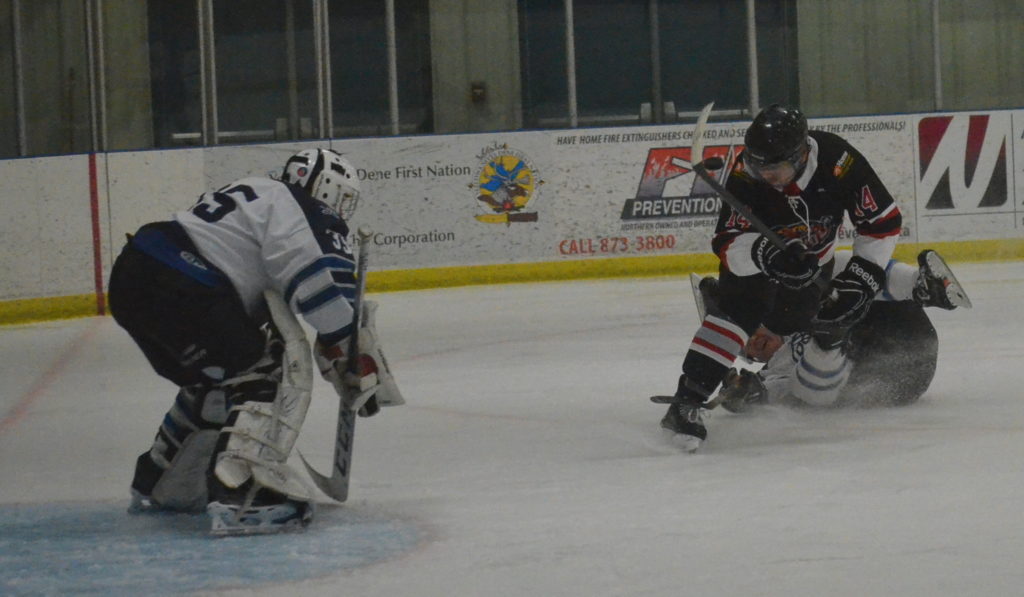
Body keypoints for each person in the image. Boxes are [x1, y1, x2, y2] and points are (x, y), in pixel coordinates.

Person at [108, 148, 397, 534]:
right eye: (341, 198)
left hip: (135, 274)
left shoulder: (254, 190)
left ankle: (161, 482)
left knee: (220, 375)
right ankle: (244, 493)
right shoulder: (306, 207)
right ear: (325, 187)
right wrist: (350, 349)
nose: (340, 210)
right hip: (185, 284)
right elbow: (317, 286)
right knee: (267, 366)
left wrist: (338, 344)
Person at [657, 104, 904, 451]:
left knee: (795, 329)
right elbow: (727, 243)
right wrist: (766, 253)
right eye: (758, 166)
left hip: (815, 265)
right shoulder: (746, 172)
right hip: (758, 264)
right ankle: (685, 402)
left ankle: (769, 385)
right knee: (737, 313)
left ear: (802, 154)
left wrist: (861, 277)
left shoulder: (839, 162)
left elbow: (882, 224)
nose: (764, 175)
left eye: (774, 168)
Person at [707, 248, 971, 412]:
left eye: (751, 334)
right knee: (807, 389)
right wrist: (748, 393)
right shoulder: (777, 366)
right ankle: (830, 339)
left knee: (830, 270)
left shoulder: (791, 314)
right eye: (750, 352)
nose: (754, 342)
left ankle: (922, 287)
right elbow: (778, 390)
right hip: (894, 381)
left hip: (902, 330)